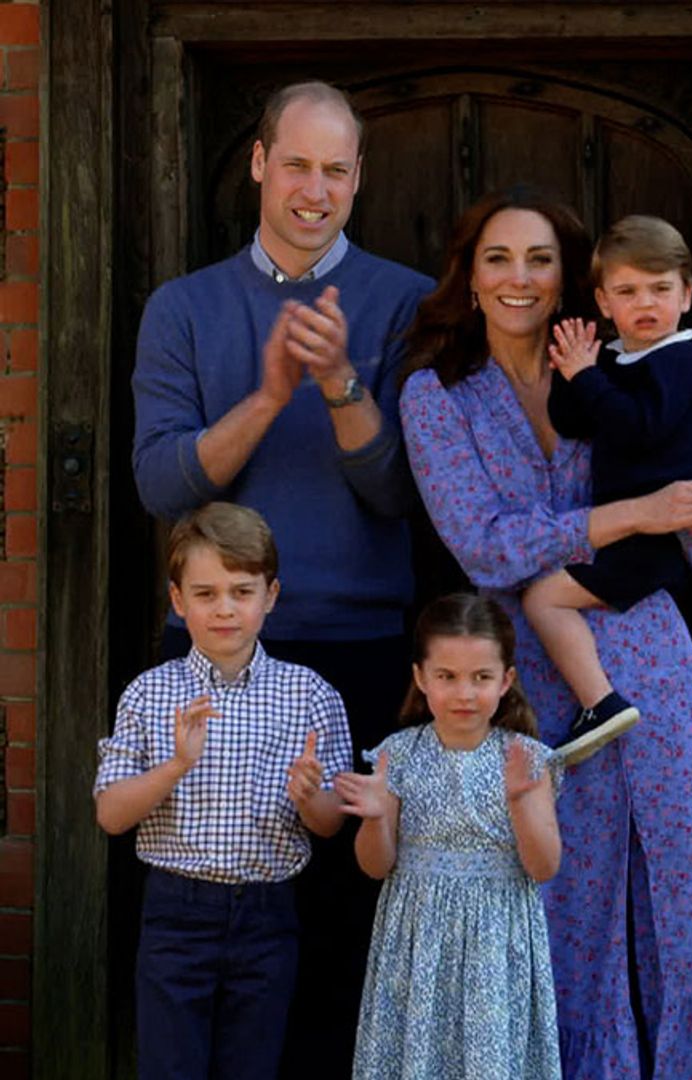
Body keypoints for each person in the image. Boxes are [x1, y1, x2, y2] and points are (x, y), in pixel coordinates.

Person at [396, 186, 692, 1077]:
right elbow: (486, 550)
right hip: (535, 684)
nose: (519, 278)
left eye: (540, 260)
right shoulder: (436, 395)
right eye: (498, 259)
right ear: (471, 278)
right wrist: (637, 512)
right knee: (563, 897)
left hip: (658, 664)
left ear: (574, 282)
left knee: (682, 894)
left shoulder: (624, 365)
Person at [128, 80, 435, 1076]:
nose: (314, 188)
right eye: (295, 164)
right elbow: (160, 479)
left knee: (347, 905)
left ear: (358, 180)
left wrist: (342, 382)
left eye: (335, 169)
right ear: (259, 163)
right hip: (218, 649)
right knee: (223, 901)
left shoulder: (405, 302)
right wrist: (267, 395)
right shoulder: (184, 308)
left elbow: (400, 493)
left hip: (358, 645)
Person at [93, 502, 353, 1079]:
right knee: (170, 1069)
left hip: (267, 915)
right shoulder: (149, 694)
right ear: (178, 600)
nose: (225, 609)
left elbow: (331, 823)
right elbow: (111, 815)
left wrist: (312, 795)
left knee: (252, 1067)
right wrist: (176, 766)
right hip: (175, 914)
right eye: (206, 594)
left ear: (271, 595)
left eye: (241, 591)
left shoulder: (308, 695)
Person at [342, 594, 562, 1079]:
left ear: (505, 680)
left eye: (481, 677)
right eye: (447, 677)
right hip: (418, 940)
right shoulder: (397, 754)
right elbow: (375, 866)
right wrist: (377, 817)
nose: (465, 693)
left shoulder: (527, 759)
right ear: (421, 678)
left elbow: (544, 867)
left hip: (495, 940)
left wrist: (523, 803)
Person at [527, 214, 692, 764]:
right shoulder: (619, 358)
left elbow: (639, 428)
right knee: (651, 640)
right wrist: (572, 370)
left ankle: (600, 704)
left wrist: (589, 378)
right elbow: (573, 421)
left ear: (687, 294)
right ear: (604, 303)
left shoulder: (680, 361)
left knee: (544, 598)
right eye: (628, 291)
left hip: (652, 537)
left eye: (661, 289)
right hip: (626, 529)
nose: (646, 304)